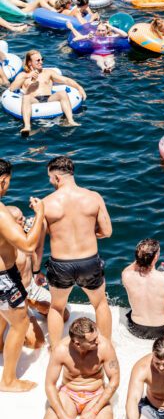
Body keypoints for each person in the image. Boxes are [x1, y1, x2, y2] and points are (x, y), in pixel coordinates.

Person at [40, 156, 113, 347]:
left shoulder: (46, 203)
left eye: (50, 178)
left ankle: (56, 350)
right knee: (100, 304)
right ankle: (105, 346)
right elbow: (107, 231)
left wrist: (34, 270)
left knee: (56, 308)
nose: (50, 182)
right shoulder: (93, 197)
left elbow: (39, 241)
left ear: (56, 178)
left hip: (60, 263)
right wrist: (89, 232)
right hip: (89, 261)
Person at [0, 159, 45, 392]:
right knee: (19, 324)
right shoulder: (1, 212)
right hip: (3, 278)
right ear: (2, 181)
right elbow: (28, 245)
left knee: (2, 316)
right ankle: (8, 381)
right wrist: (39, 214)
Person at [0, 205, 70, 352]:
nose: (24, 220)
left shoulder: (26, 233)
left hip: (31, 287)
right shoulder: (5, 247)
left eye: (23, 217)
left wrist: (37, 272)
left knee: (64, 315)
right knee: (36, 343)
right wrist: (34, 304)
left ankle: (32, 311)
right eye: (20, 220)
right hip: (17, 294)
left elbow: (37, 242)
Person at [39, 317, 119, 419]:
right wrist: (62, 416)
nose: (98, 341)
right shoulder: (61, 350)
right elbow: (50, 384)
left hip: (95, 396)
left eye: (97, 336)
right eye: (92, 341)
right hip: (68, 396)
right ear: (77, 343)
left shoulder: (104, 347)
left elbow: (114, 380)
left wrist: (94, 411)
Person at [9, 50, 86, 135]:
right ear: (30, 62)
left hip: (49, 98)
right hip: (34, 100)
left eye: (42, 59)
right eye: (38, 60)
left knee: (62, 93)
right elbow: (12, 88)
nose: (41, 62)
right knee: (26, 97)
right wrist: (28, 76)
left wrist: (79, 87)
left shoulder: (48, 72)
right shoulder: (23, 75)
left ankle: (70, 120)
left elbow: (66, 80)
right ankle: (27, 126)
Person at [122, 238, 164, 340]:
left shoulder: (127, 275)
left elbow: (130, 268)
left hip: (136, 328)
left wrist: (141, 257)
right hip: (161, 330)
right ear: (156, 257)